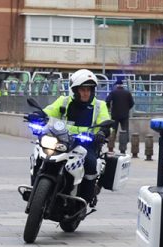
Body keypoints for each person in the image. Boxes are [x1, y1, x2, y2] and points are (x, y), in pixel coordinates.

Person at [28, 69, 110, 207]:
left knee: (90, 163)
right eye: (82, 89)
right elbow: (49, 111)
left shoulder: (99, 105)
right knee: (40, 151)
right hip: (63, 139)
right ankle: (36, 189)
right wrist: (38, 115)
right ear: (74, 90)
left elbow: (105, 121)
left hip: (86, 143)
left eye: (89, 90)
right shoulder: (64, 101)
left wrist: (102, 132)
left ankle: (86, 197)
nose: (86, 93)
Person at [105, 77, 135, 154]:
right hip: (124, 115)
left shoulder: (113, 92)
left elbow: (107, 100)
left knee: (113, 131)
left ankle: (111, 148)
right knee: (124, 131)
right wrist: (127, 109)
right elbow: (132, 103)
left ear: (116, 85)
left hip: (115, 115)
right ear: (122, 85)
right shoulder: (127, 93)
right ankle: (123, 148)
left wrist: (109, 108)